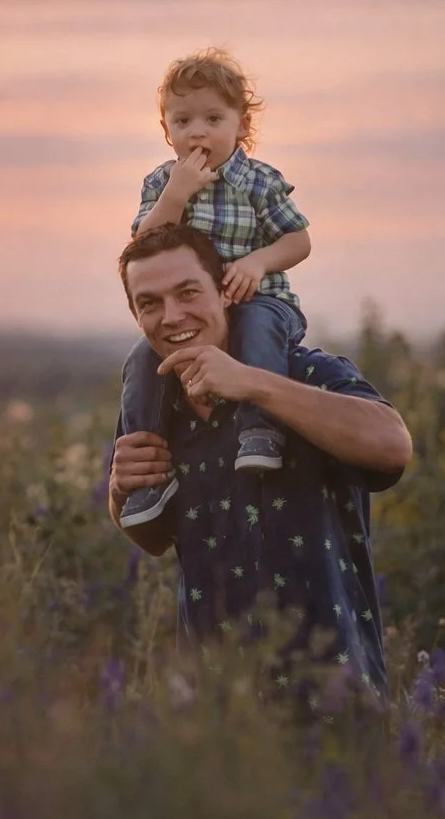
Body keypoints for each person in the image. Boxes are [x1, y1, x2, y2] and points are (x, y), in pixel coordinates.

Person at [108, 224, 413, 694]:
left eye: (188, 293)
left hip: (332, 689)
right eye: (150, 303)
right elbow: (153, 539)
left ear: (227, 291)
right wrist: (119, 493)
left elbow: (393, 445)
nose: (171, 316)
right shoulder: (153, 406)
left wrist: (254, 385)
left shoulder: (305, 372)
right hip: (219, 707)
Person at [118, 48, 313, 533]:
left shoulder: (259, 181)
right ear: (167, 130)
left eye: (212, 118)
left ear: (241, 126)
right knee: (142, 359)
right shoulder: (162, 182)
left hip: (258, 299)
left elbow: (299, 239)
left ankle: (260, 430)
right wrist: (176, 194)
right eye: (182, 121)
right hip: (194, 317)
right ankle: (148, 475)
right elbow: (141, 250)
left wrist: (258, 261)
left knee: (258, 329)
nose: (197, 132)